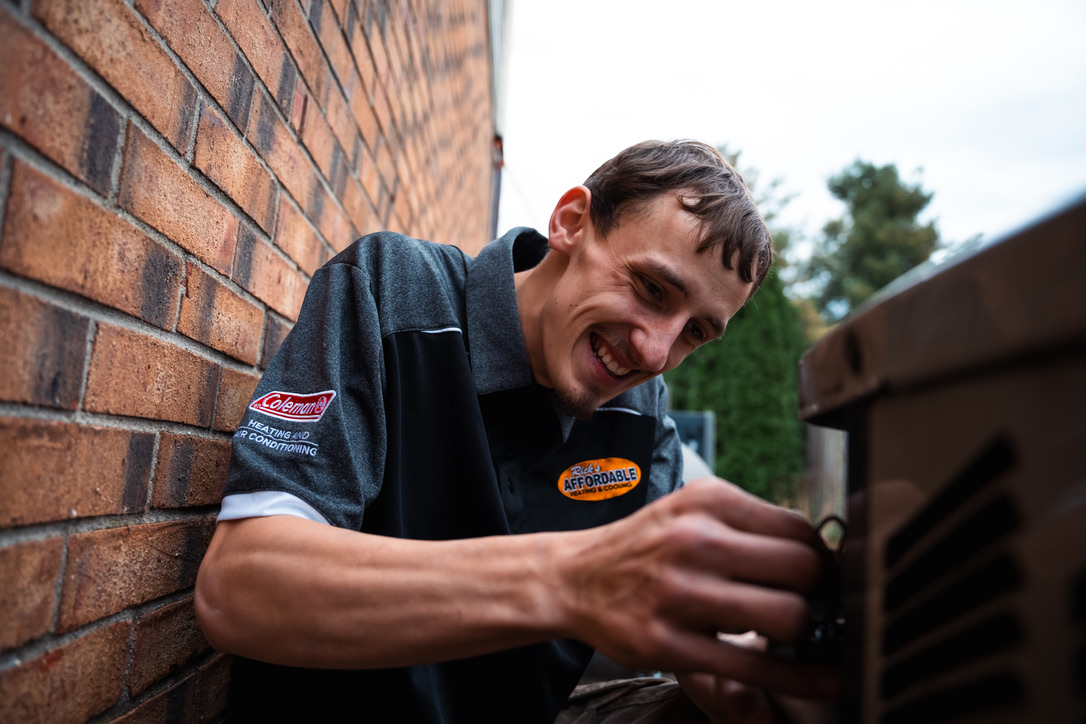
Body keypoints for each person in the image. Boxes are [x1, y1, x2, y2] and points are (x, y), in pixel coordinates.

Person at [195, 140, 839, 723]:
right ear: (571, 222)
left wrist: (751, 667)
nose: (654, 352)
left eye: (695, 332)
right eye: (650, 289)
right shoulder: (395, 289)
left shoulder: (642, 413)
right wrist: (575, 582)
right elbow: (239, 590)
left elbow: (680, 614)